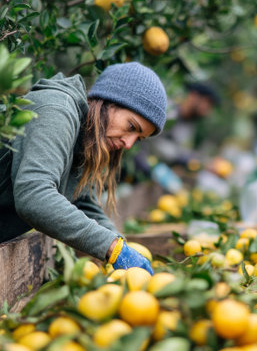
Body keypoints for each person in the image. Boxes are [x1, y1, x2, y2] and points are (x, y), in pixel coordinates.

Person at [0, 62, 168, 274]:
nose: (129, 144)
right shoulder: (56, 111)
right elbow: (34, 196)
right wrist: (112, 248)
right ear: (110, 101)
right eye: (131, 127)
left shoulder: (85, 135)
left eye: (138, 138)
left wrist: (119, 244)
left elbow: (80, 200)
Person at [134, 81, 221, 173]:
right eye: (207, 103)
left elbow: (183, 150)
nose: (208, 110)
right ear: (194, 95)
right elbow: (149, 140)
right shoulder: (168, 110)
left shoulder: (189, 125)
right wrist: (179, 156)